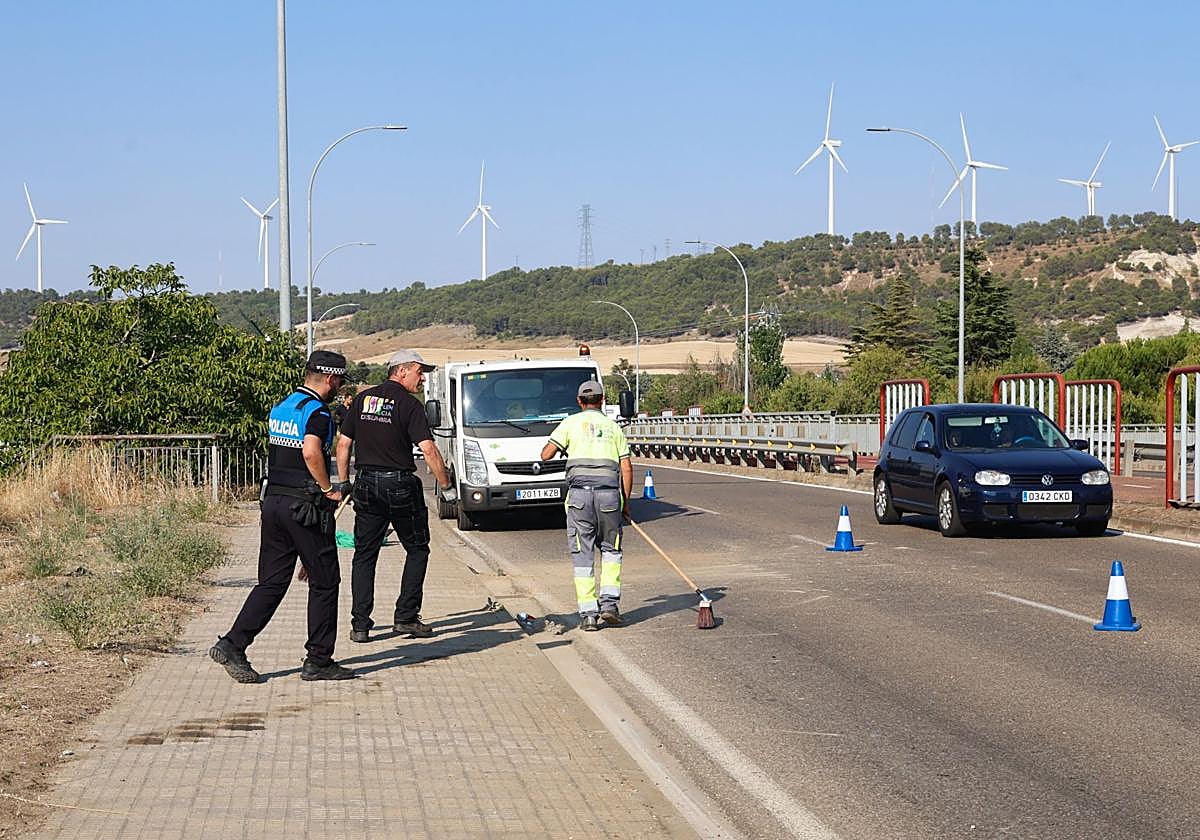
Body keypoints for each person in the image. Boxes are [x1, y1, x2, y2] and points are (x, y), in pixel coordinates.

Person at [209, 350, 357, 683]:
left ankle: (233, 644)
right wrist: (327, 489)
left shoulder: (283, 406)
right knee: (324, 581)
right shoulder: (318, 412)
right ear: (331, 379)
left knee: (272, 582)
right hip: (304, 507)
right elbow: (309, 451)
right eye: (338, 382)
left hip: (273, 502)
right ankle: (319, 660)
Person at [335, 349, 454, 643]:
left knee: (365, 555)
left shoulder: (362, 400)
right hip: (400, 487)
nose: (422, 378)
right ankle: (405, 617)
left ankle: (360, 626)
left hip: (366, 485)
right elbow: (429, 450)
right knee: (417, 549)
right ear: (401, 372)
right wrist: (447, 487)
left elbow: (343, 445)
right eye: (418, 371)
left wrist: (343, 482)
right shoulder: (409, 405)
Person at [540, 380, 633, 631]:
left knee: (583, 554)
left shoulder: (570, 423)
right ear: (602, 400)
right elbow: (625, 467)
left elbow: (545, 454)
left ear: (580, 401)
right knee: (612, 551)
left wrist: (564, 447)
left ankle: (589, 614)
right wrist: (625, 503)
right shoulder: (613, 427)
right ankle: (610, 606)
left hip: (580, 498)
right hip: (609, 497)